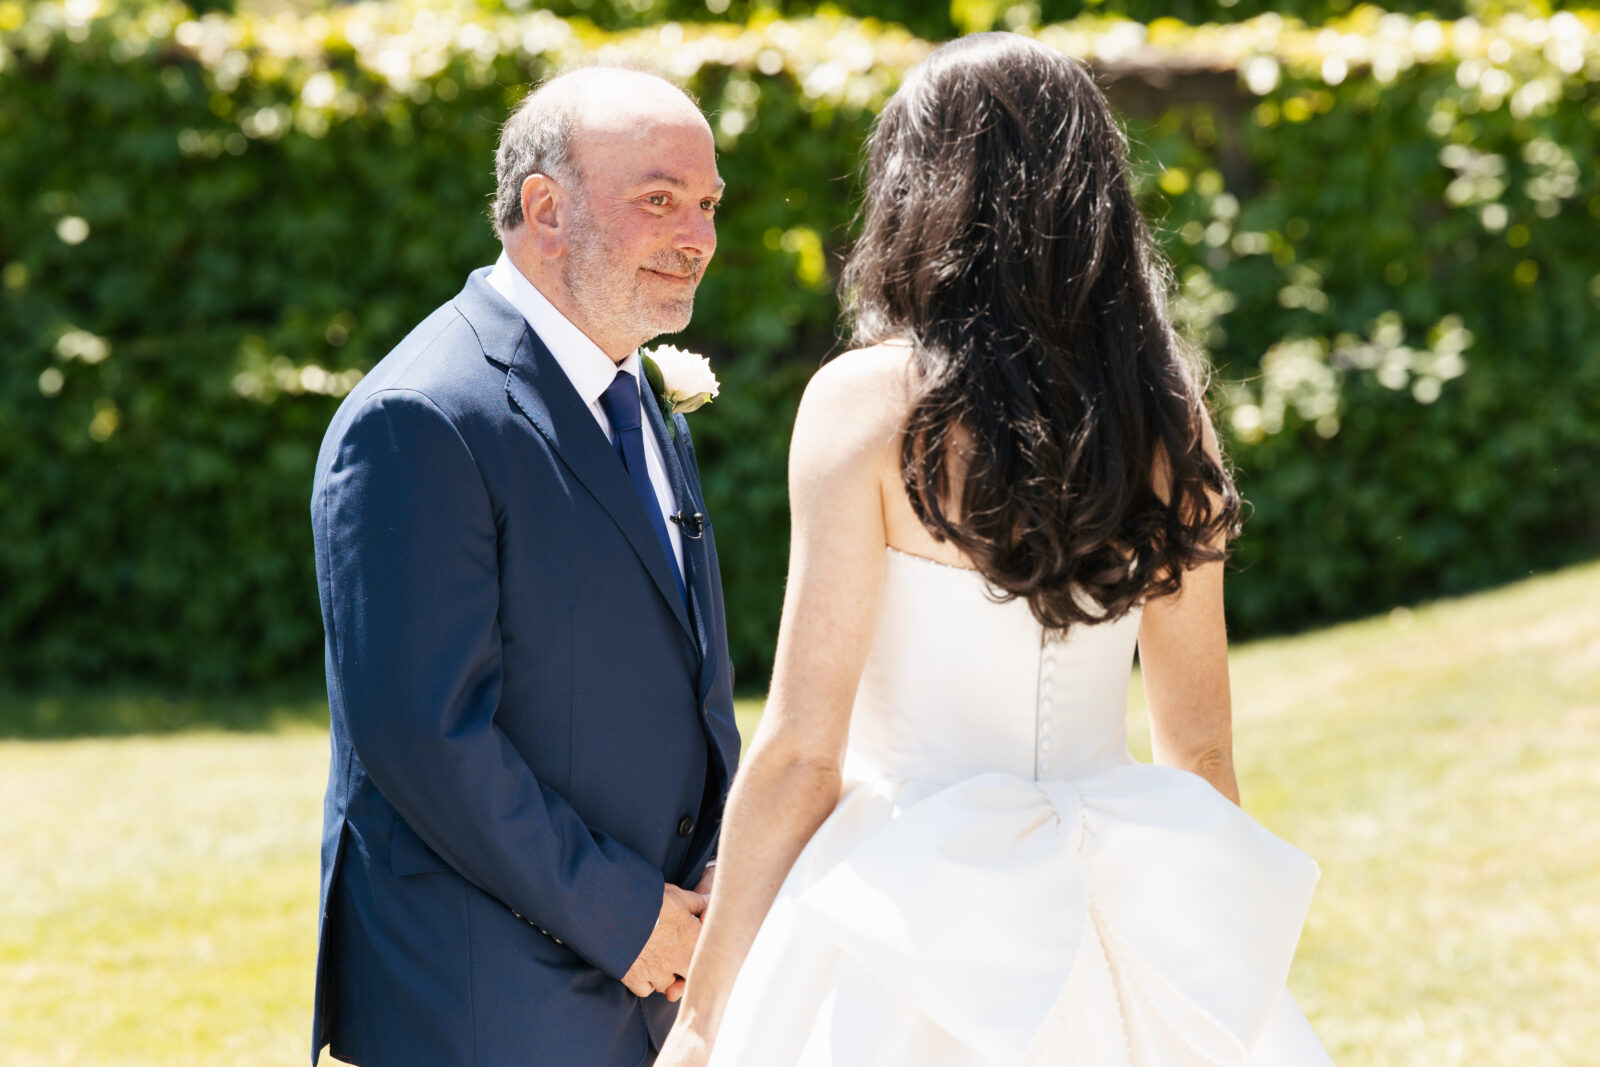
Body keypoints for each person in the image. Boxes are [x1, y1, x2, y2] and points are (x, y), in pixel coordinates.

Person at [657, 33, 1332, 1067]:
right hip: (1121, 895)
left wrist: (703, 1023)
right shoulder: (1168, 413)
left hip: (910, 904)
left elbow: (802, 747)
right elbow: (1196, 754)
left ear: (917, 190)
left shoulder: (866, 402)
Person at [308, 65, 741, 1067]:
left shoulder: (638, 396)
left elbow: (680, 676)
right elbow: (423, 732)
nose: (699, 237)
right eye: (660, 200)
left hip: (656, 973)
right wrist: (629, 915)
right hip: (488, 995)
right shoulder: (420, 416)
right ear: (545, 209)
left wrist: (719, 870)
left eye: (708, 203)